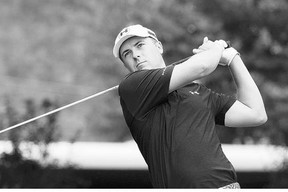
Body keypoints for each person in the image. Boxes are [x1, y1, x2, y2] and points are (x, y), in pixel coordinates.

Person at [112, 24, 267, 188]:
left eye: (140, 45)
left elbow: (256, 114)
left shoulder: (198, 91)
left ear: (159, 46)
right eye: (126, 53)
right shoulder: (132, 87)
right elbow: (202, 67)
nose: (135, 55)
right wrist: (217, 48)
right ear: (125, 65)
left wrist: (232, 58)